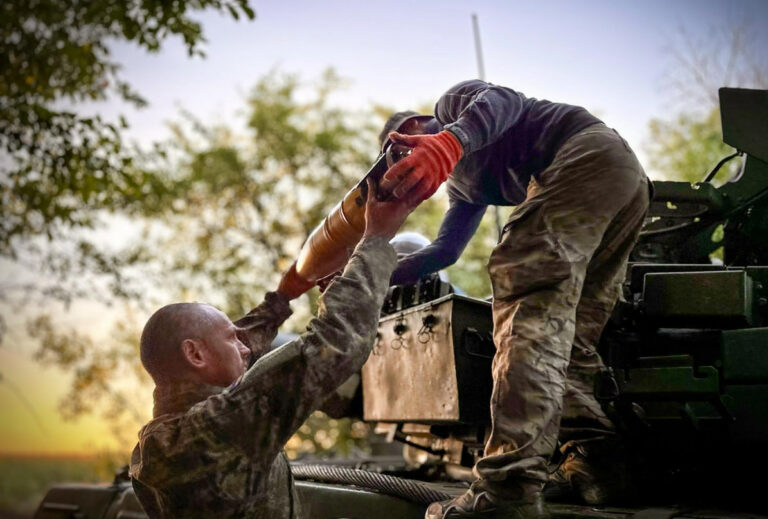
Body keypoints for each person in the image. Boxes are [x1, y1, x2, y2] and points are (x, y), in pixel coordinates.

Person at [379, 80, 651, 519]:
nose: (405, 167)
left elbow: (505, 101)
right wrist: (373, 274)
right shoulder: (464, 189)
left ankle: (507, 488)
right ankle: (597, 464)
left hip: (583, 155)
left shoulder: (452, 108)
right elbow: (445, 252)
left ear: (413, 126)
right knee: (571, 335)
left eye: (402, 151)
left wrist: (447, 139)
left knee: (525, 309)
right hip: (621, 179)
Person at [129, 178, 425, 518]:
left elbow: (236, 348)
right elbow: (334, 345)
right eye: (232, 339)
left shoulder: (169, 436)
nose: (245, 348)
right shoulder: (218, 428)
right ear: (195, 354)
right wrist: (375, 240)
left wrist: (283, 297)